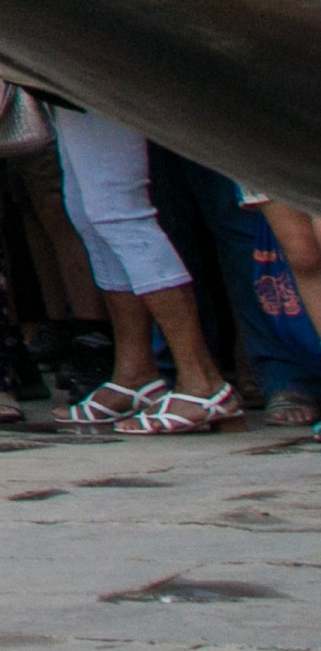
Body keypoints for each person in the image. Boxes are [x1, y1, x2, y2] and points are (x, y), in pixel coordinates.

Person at [48, 104, 240, 433]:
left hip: (98, 67)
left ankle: (203, 382)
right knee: (88, 213)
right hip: (65, 79)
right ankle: (135, 374)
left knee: (120, 213)